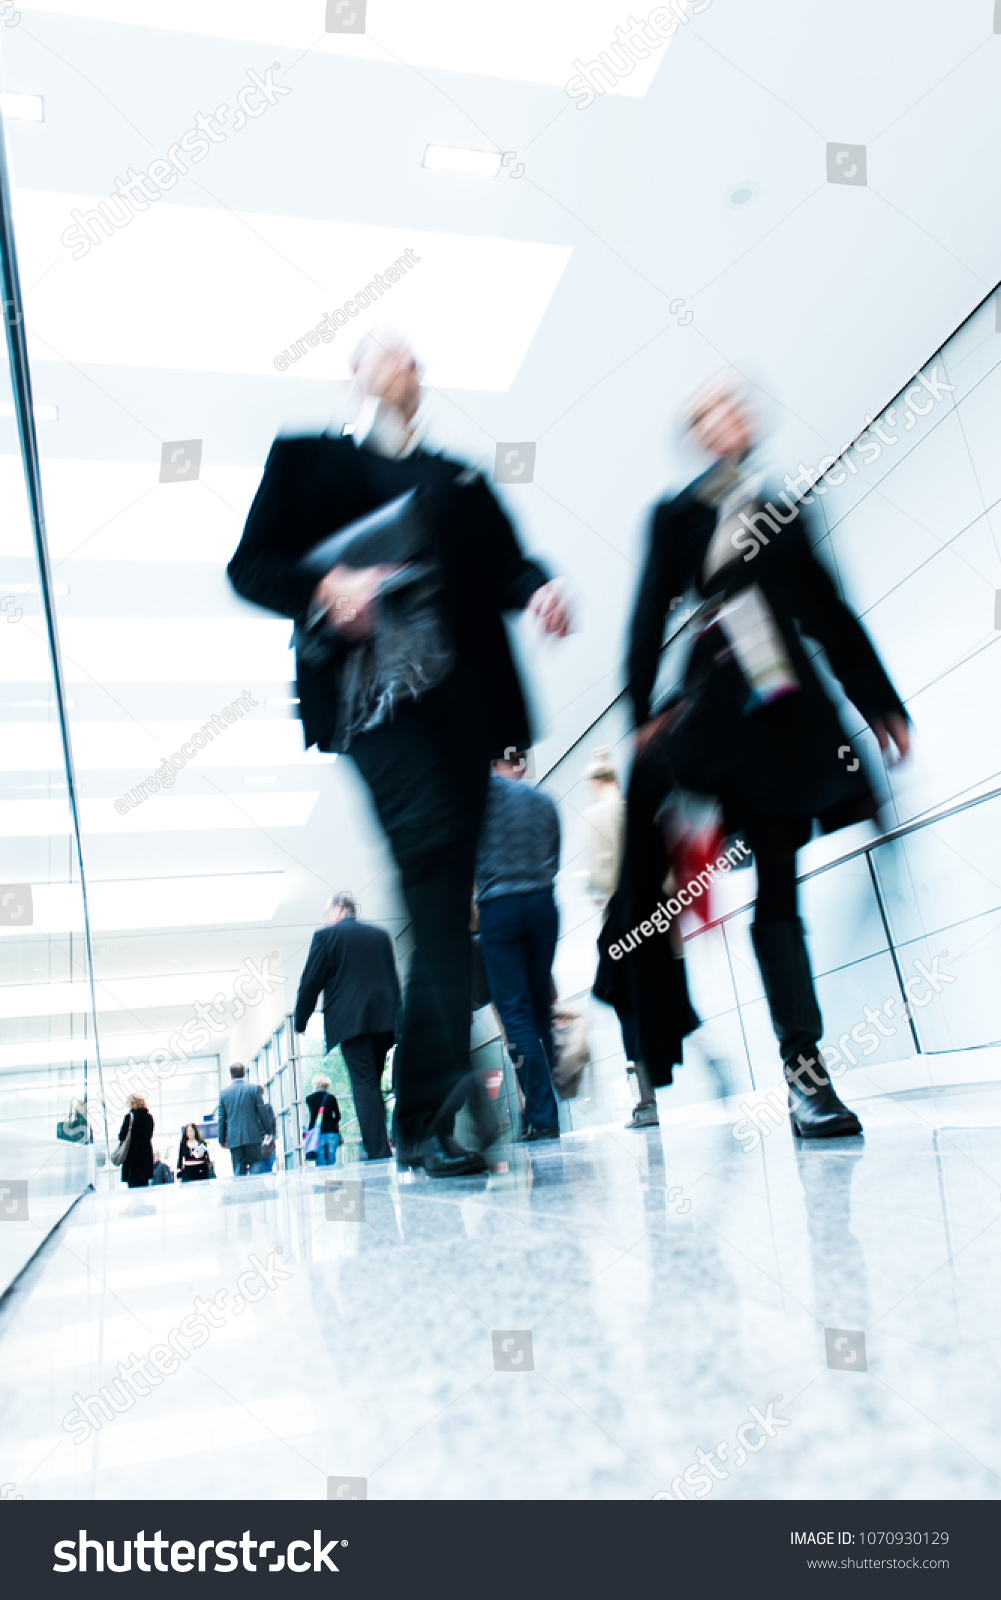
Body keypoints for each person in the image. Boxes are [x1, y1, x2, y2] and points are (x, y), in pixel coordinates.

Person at [227, 330, 570, 1177]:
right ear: (354, 373)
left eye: (416, 353)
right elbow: (249, 567)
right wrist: (321, 588)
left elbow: (504, 566)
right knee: (430, 860)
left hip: (461, 717)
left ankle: (425, 1115)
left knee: (445, 897)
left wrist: (540, 591)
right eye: (386, 351)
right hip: (373, 712)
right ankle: (435, 1114)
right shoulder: (309, 461)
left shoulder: (457, 479)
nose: (405, 362)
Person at [620, 374, 910, 1138]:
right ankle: (804, 1073)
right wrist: (639, 711)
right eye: (708, 408)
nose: (727, 416)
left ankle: (802, 1073)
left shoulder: (787, 510)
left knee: (784, 884)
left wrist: (879, 701)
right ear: (695, 430)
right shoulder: (676, 515)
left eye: (735, 404)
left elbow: (826, 610)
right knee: (775, 883)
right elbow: (649, 611)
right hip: (724, 717)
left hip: (790, 711)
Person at [475, 751, 561, 1141]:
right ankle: (552, 1092)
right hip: (543, 904)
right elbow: (554, 857)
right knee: (539, 1002)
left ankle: (543, 1115)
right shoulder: (544, 801)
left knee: (516, 1016)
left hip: (500, 909)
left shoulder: (479, 804)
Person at [582, 747, 656, 1129]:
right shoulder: (637, 809)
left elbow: (600, 879)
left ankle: (645, 1102)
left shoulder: (596, 816)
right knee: (660, 1001)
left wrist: (594, 888)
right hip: (654, 920)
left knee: (625, 1006)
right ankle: (712, 1063)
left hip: (621, 924)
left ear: (597, 782)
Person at [294, 891, 398, 1160]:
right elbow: (392, 979)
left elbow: (310, 982)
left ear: (340, 908)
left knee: (364, 1084)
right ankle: (384, 1143)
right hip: (385, 1021)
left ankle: (378, 1150)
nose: (327, 919)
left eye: (328, 912)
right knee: (373, 1082)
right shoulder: (379, 935)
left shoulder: (326, 937)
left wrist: (301, 1020)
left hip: (352, 1022)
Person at [217, 1063, 269, 1175]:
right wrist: (267, 1131)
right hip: (253, 1136)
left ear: (231, 1076)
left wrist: (221, 1139)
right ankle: (256, 1189)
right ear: (244, 1073)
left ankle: (242, 1191)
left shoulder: (224, 1094)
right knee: (256, 1163)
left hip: (234, 1138)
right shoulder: (254, 1089)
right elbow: (262, 1111)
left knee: (238, 1167)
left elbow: (221, 1119)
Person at [117, 1094, 155, 1188]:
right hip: (145, 1154)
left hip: (132, 1156)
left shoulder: (130, 1117)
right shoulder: (149, 1117)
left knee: (133, 1186)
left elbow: (122, 1136)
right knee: (144, 1185)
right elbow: (150, 1135)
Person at [305, 1074, 341, 1166]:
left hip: (317, 1134)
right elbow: (338, 1117)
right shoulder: (332, 1098)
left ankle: (322, 1180)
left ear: (315, 1084)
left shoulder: (309, 1099)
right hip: (332, 1133)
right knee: (331, 1161)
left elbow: (313, 1117)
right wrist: (331, 1121)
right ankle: (332, 1179)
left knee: (320, 1163)